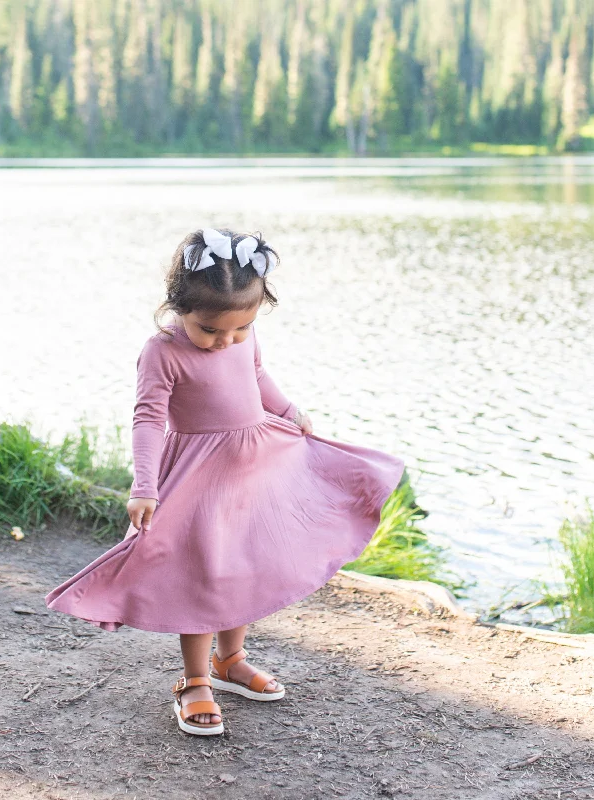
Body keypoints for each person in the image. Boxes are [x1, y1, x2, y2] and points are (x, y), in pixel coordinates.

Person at [45, 227, 405, 736]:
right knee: (203, 575)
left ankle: (229, 660)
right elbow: (148, 418)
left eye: (240, 328)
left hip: (255, 468)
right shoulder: (163, 352)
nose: (226, 341)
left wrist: (287, 409)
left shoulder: (242, 333)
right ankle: (195, 681)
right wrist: (143, 486)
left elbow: (256, 376)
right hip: (199, 477)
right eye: (211, 331)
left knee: (244, 566)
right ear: (180, 307)